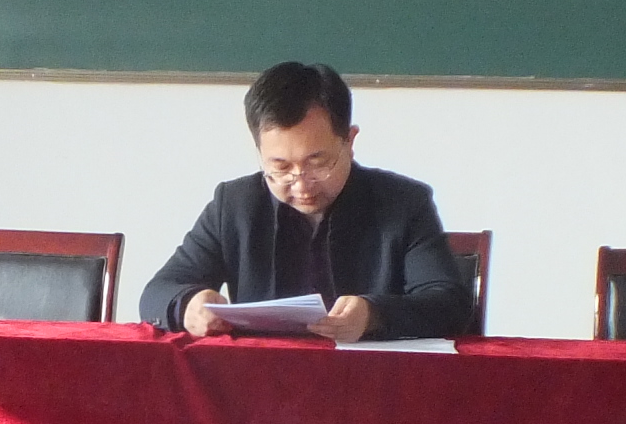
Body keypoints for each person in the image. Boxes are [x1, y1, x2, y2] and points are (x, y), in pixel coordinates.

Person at [139, 61, 471, 343]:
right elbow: (157, 292)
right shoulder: (235, 206)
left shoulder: (403, 203)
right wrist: (187, 306)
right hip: (263, 383)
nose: (301, 185)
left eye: (318, 163)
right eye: (280, 168)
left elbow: (449, 305)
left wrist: (373, 315)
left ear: (349, 141)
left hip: (370, 382)